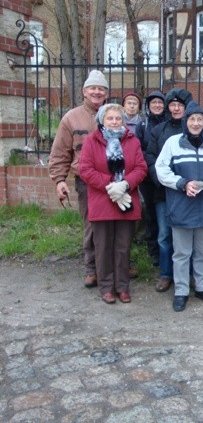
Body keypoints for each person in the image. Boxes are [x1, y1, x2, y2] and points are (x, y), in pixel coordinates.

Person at [156, 101, 203, 312]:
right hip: (181, 207)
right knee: (181, 253)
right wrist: (182, 184)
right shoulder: (173, 144)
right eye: (192, 119)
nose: (196, 123)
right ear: (185, 121)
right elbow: (161, 170)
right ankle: (181, 291)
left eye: (200, 119)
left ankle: (202, 286)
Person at [78, 103, 147, 304]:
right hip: (102, 201)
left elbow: (141, 168)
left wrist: (125, 184)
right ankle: (106, 287)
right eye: (110, 118)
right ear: (102, 120)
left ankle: (122, 287)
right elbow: (86, 170)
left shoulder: (132, 141)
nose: (114, 122)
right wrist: (111, 186)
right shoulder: (92, 141)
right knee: (103, 247)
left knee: (122, 247)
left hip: (126, 200)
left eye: (118, 118)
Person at [48, 70, 109, 288]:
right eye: (93, 88)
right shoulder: (71, 118)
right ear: (84, 91)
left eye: (101, 88)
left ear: (106, 93)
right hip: (86, 182)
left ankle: (118, 264)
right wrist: (59, 180)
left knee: (120, 224)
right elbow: (60, 153)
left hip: (114, 181)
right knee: (92, 225)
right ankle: (92, 268)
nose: (96, 92)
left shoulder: (113, 114)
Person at [145, 88, 193, 293]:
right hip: (163, 191)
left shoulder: (193, 128)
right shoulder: (159, 131)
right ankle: (166, 273)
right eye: (172, 105)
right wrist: (160, 179)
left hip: (187, 193)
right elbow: (150, 156)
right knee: (164, 235)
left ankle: (187, 272)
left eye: (179, 105)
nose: (175, 108)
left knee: (185, 234)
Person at [135, 90, 166, 267]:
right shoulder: (143, 125)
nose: (157, 105)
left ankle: (166, 249)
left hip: (165, 176)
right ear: (148, 106)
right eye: (153, 103)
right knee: (151, 213)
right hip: (148, 176)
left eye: (160, 103)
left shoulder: (168, 124)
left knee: (165, 212)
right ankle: (153, 249)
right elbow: (139, 150)